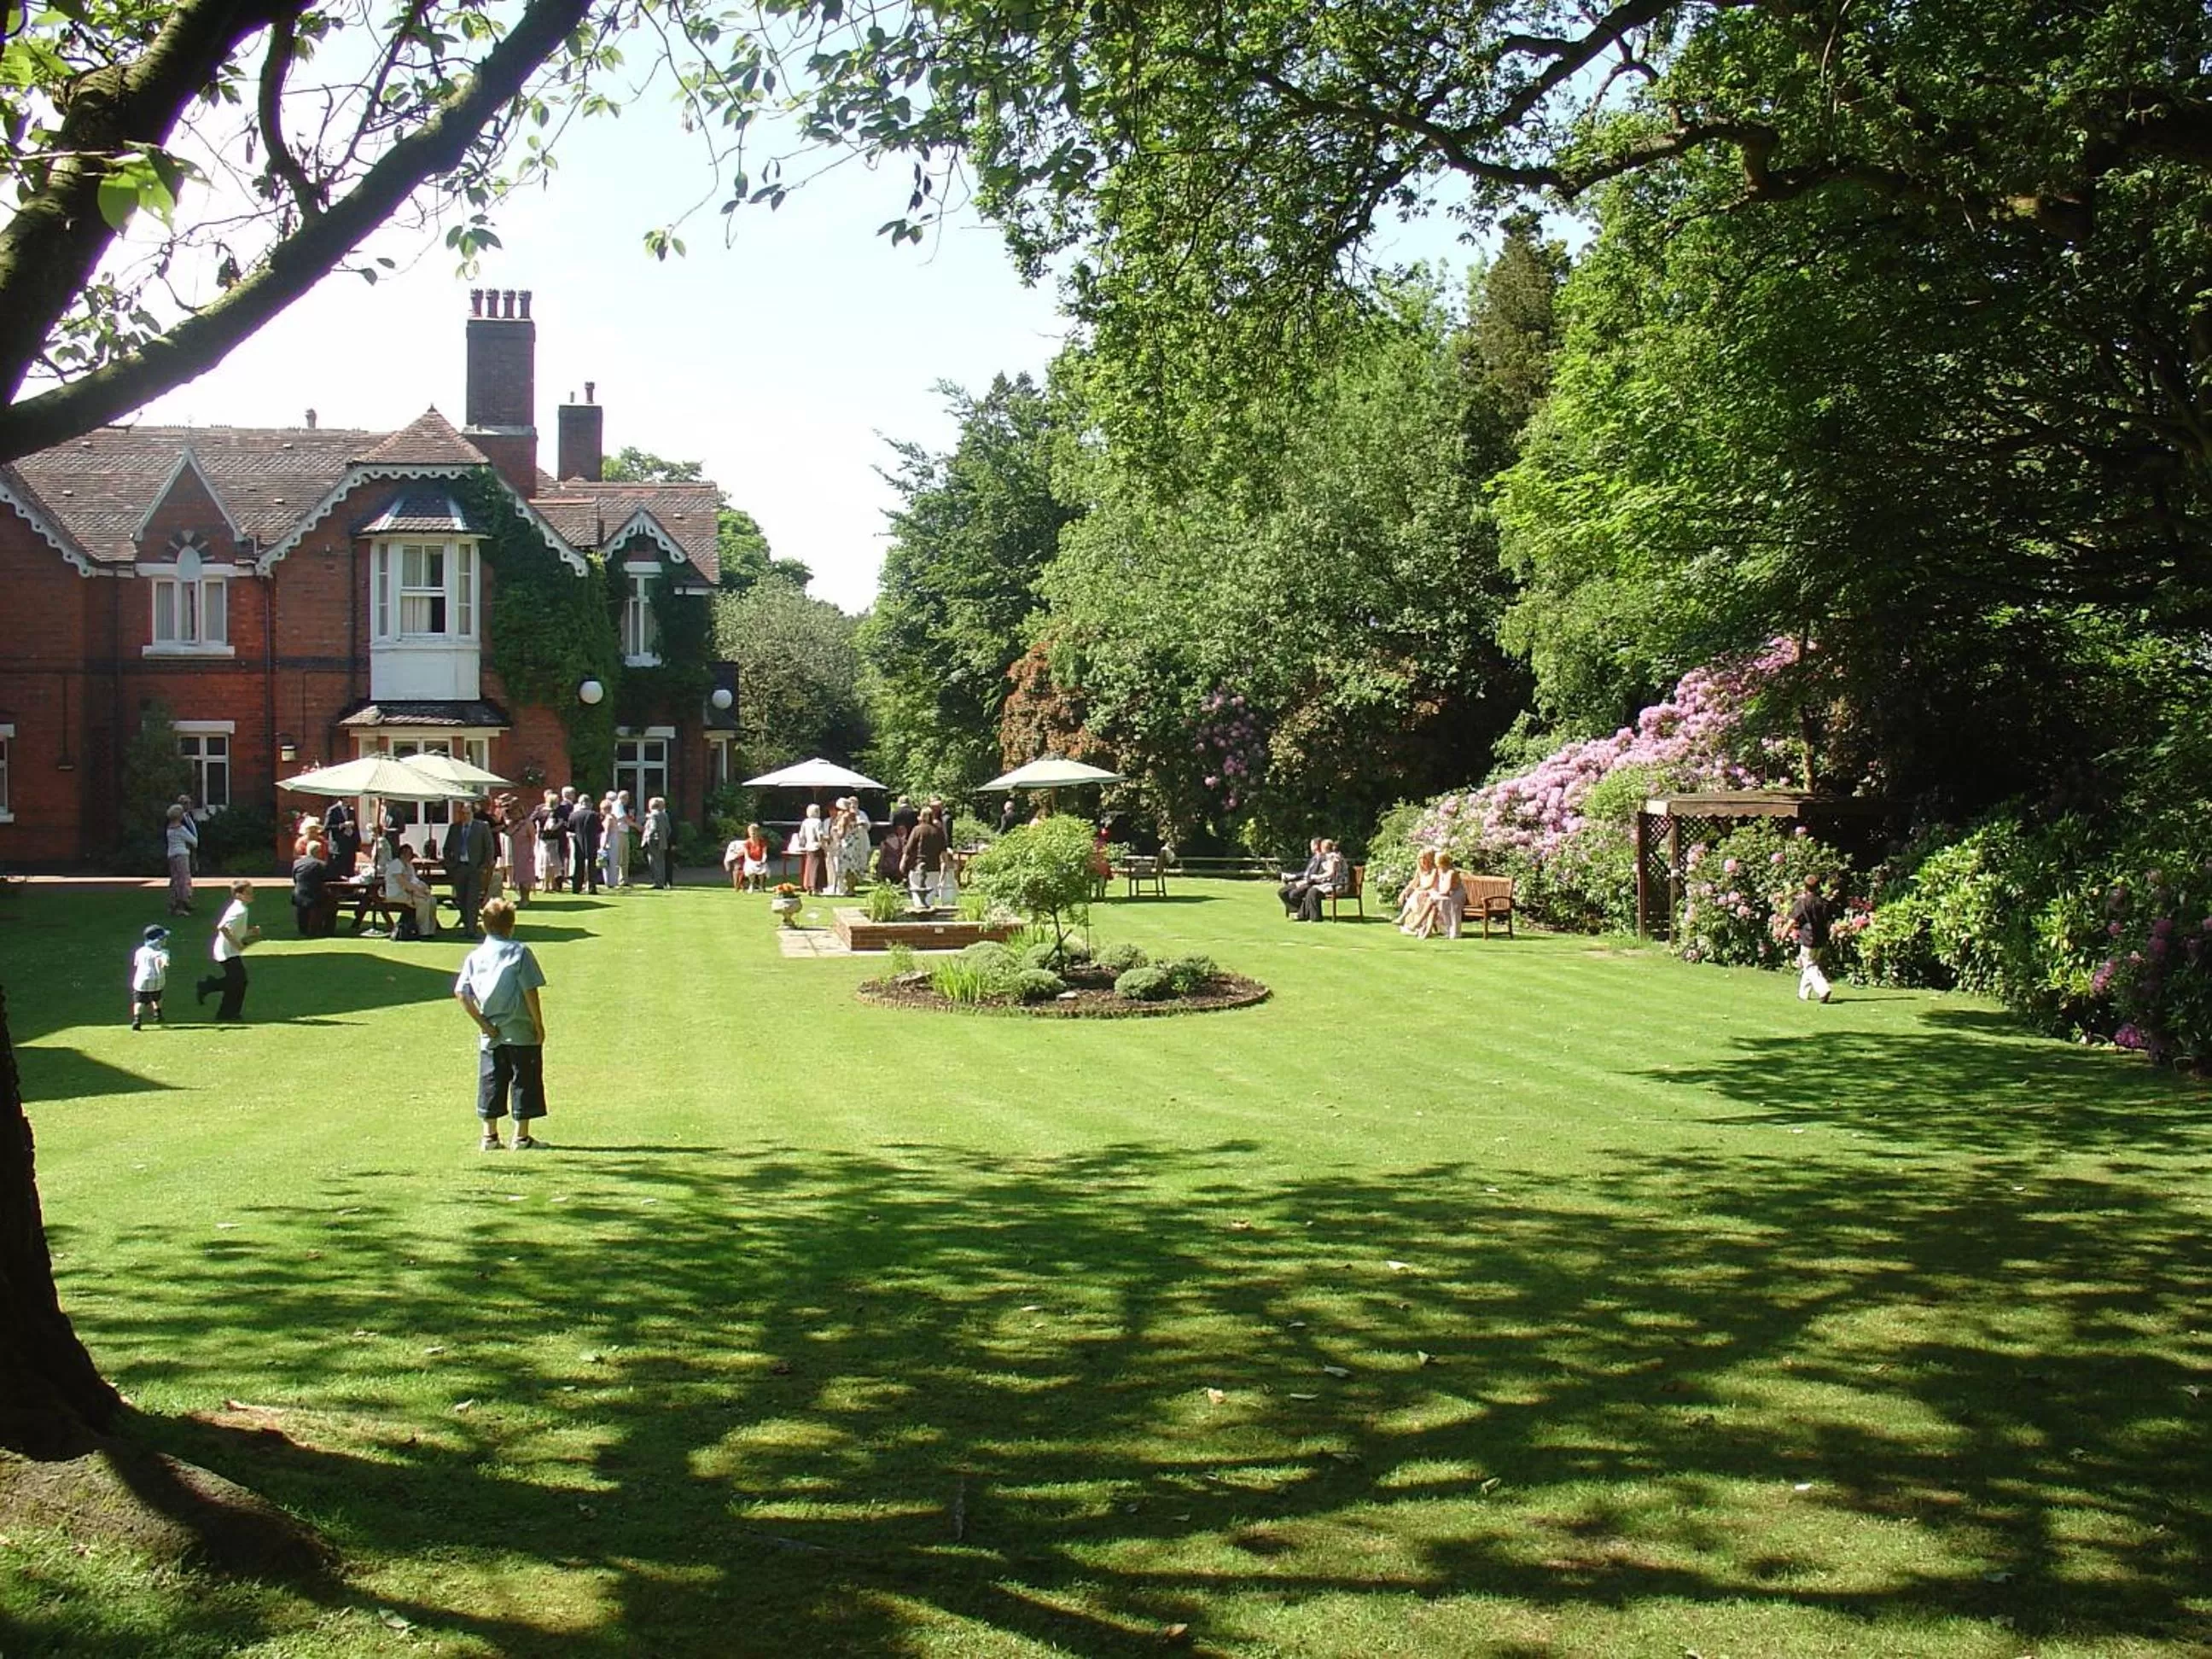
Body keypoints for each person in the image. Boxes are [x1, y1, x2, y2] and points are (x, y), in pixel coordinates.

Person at [454, 897, 550, 1151]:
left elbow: (462, 993)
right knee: (524, 1079)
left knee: (491, 1080)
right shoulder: (520, 952)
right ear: (511, 926)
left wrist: (483, 1023)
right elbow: (530, 990)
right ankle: (521, 1136)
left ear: (484, 925)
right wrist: (538, 1024)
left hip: (491, 1032)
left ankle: (489, 1135)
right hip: (520, 1028)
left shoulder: (475, 957)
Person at [195, 880, 261, 1021]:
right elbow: (223, 927)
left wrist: (251, 932)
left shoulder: (240, 907)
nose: (251, 895)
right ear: (238, 895)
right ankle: (209, 987)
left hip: (228, 950)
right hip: (227, 951)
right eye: (248, 893)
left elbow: (235, 931)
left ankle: (227, 1013)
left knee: (237, 982)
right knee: (239, 981)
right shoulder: (240, 910)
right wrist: (238, 945)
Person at [444, 799, 496, 937]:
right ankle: (466, 925)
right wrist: (450, 866)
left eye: (468, 813)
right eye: (463, 813)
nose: (465, 816)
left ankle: (471, 930)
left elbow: (489, 849)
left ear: (473, 813)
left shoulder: (482, 827)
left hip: (475, 869)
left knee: (472, 900)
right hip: (459, 867)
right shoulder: (454, 828)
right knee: (461, 899)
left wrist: (483, 867)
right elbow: (447, 848)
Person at [375, 824, 439, 939]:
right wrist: (419, 891)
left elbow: (414, 880)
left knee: (432, 900)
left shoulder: (409, 865)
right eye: (408, 854)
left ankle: (431, 930)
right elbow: (403, 883)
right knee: (423, 901)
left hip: (409, 893)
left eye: (411, 855)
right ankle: (422, 931)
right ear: (402, 854)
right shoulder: (396, 864)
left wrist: (425, 888)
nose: (410, 857)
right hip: (396, 894)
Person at [1790, 876, 1836, 1003]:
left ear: (1805, 886)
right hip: (1821, 939)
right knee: (1810, 965)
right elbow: (1828, 922)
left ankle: (1823, 989)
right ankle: (1803, 994)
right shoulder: (1825, 903)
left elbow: (1793, 920)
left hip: (1807, 938)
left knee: (1810, 966)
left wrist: (1783, 932)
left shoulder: (1802, 902)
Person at [291, 838, 339, 936]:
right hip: (315, 896)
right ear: (318, 852)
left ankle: (303, 929)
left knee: (305, 904)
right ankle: (328, 930)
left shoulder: (297, 863)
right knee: (333, 902)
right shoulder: (320, 864)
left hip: (298, 894)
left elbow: (295, 879)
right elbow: (331, 878)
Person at [1298, 841, 1353, 924]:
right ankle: (1304, 915)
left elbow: (1331, 873)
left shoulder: (1333, 857)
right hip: (1333, 883)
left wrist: (1317, 877)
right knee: (1312, 890)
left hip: (1338, 885)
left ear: (1324, 848)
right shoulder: (1334, 855)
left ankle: (1314, 918)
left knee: (1313, 891)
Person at [905, 806, 949, 910]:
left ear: (920, 817)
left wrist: (903, 863)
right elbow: (943, 853)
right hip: (934, 868)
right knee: (929, 899)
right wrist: (944, 868)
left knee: (917, 898)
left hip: (917, 867)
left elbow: (908, 850)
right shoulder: (938, 832)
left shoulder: (917, 830)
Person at [129, 923, 169, 1031]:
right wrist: (164, 962)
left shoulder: (140, 951)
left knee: (139, 1001)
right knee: (157, 997)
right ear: (158, 940)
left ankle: (137, 1020)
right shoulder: (162, 952)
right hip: (158, 979)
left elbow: (136, 964)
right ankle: (158, 1013)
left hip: (142, 980)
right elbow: (164, 960)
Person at [163, 803, 198, 916]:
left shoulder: (169, 829)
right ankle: (181, 905)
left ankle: (174, 904)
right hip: (182, 855)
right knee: (183, 880)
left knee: (175, 880)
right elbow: (194, 841)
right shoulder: (181, 829)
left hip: (172, 855)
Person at [1395, 848, 1441, 934]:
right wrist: (1404, 892)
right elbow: (1413, 883)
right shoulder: (1420, 871)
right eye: (1421, 858)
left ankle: (1403, 917)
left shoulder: (1434, 870)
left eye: (1425, 858)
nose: (1423, 861)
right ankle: (1406, 919)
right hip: (1422, 894)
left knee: (1417, 893)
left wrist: (1420, 889)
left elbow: (1431, 884)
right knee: (1415, 893)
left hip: (1432, 894)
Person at [1279, 838, 1325, 919]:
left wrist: (1305, 882)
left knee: (1293, 894)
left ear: (1316, 846)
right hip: (1303, 880)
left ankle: (1302, 914)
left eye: (1311, 845)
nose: (1310, 847)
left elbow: (1318, 875)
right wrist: (1293, 876)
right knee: (1282, 892)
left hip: (1312, 883)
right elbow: (1306, 872)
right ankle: (1300, 911)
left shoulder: (1322, 859)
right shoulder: (1314, 858)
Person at [568, 788, 602, 894]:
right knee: (592, 866)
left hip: (578, 843)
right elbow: (600, 830)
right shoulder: (594, 815)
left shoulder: (573, 815)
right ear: (589, 803)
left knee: (579, 865)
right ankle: (592, 888)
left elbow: (570, 829)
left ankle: (576, 887)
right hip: (591, 842)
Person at [533, 789, 567, 889]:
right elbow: (551, 827)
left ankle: (545, 885)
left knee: (544, 861)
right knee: (551, 862)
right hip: (553, 839)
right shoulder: (552, 813)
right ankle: (551, 885)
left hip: (543, 838)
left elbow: (533, 820)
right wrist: (560, 823)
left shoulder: (541, 811)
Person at [795, 802, 828, 894]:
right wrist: (823, 844)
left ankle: (808, 886)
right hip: (817, 846)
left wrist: (802, 844)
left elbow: (801, 835)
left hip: (808, 847)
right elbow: (820, 834)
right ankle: (815, 887)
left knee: (809, 867)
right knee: (817, 867)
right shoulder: (818, 822)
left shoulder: (805, 822)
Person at [323, 797, 360, 876]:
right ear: (343, 798)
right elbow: (327, 827)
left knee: (349, 870)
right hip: (338, 847)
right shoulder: (333, 810)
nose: (351, 799)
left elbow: (356, 828)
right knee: (338, 871)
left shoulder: (351, 810)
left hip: (350, 846)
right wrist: (342, 825)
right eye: (349, 797)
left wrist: (357, 843)